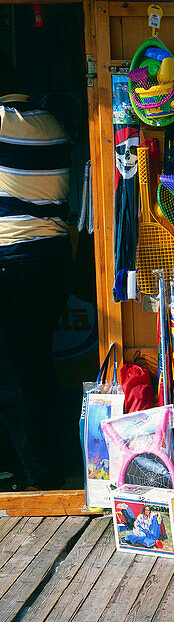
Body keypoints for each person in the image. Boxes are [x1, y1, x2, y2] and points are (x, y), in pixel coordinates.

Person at [0, 95, 72, 490]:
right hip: (50, 262)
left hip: (13, 264)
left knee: (14, 377)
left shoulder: (3, 123)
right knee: (36, 367)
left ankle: (38, 480)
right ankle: (46, 468)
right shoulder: (53, 123)